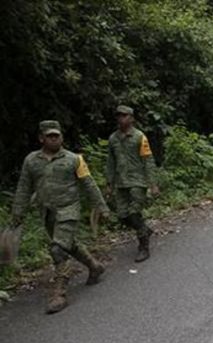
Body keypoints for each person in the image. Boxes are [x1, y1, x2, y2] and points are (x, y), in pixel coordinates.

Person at [11, 120, 110, 313]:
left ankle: (60, 294)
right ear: (41, 138)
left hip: (69, 209)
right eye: (50, 136)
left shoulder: (74, 159)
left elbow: (89, 184)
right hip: (47, 211)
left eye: (57, 136)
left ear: (62, 137)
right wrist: (18, 212)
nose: (54, 139)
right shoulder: (31, 161)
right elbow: (24, 188)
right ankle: (94, 266)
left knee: (58, 249)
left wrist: (101, 207)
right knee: (68, 244)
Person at [106, 105, 159, 262]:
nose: (121, 118)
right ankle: (144, 229)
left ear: (132, 118)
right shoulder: (113, 139)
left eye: (125, 115)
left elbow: (148, 160)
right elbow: (110, 163)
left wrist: (152, 183)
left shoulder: (139, 137)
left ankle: (144, 247)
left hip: (137, 181)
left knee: (134, 214)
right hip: (121, 182)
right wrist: (109, 184)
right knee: (123, 216)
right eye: (119, 116)